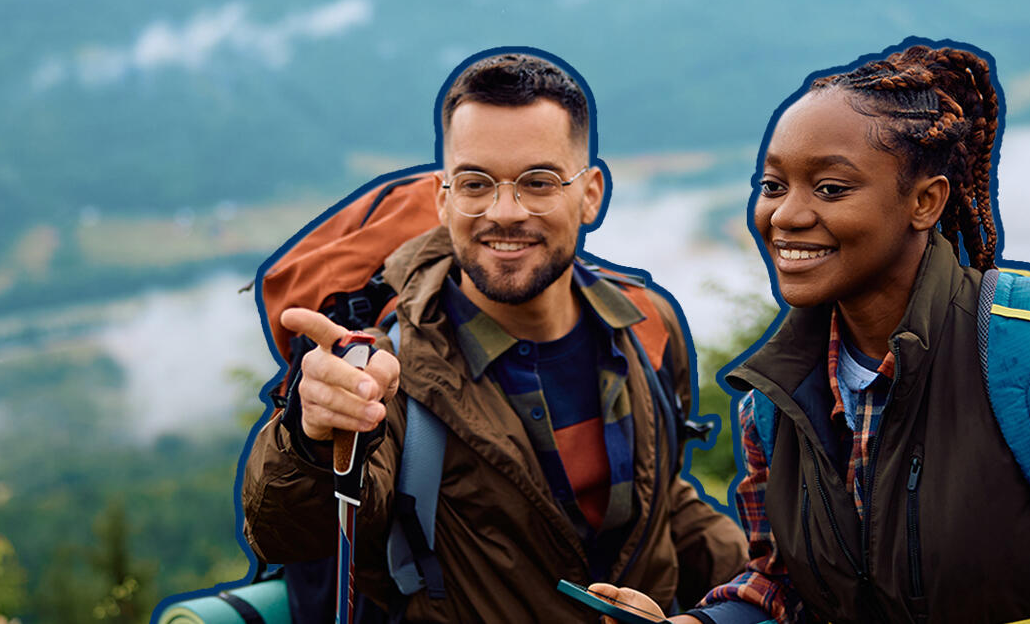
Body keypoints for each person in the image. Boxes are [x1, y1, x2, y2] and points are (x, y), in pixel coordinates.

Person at [591, 42, 1030, 623]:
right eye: (772, 184)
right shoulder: (772, 404)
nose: (786, 215)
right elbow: (786, 587)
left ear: (925, 202)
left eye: (829, 188)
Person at [240, 50, 747, 622]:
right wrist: (310, 439)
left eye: (538, 181)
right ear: (444, 198)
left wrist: (770, 589)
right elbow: (294, 534)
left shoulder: (645, 325)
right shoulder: (389, 369)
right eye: (476, 182)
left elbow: (663, 504)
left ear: (591, 194)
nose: (505, 211)